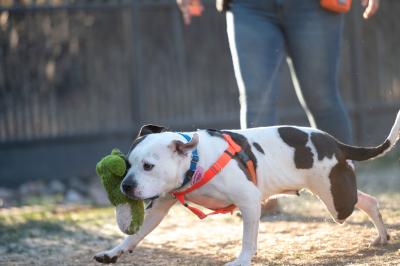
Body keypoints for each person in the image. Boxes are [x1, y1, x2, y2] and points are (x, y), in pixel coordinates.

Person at [177, 0, 379, 215]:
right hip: (249, 7)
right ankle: (259, 196)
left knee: (322, 98)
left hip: (315, 7)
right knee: (257, 101)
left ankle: (344, 188)